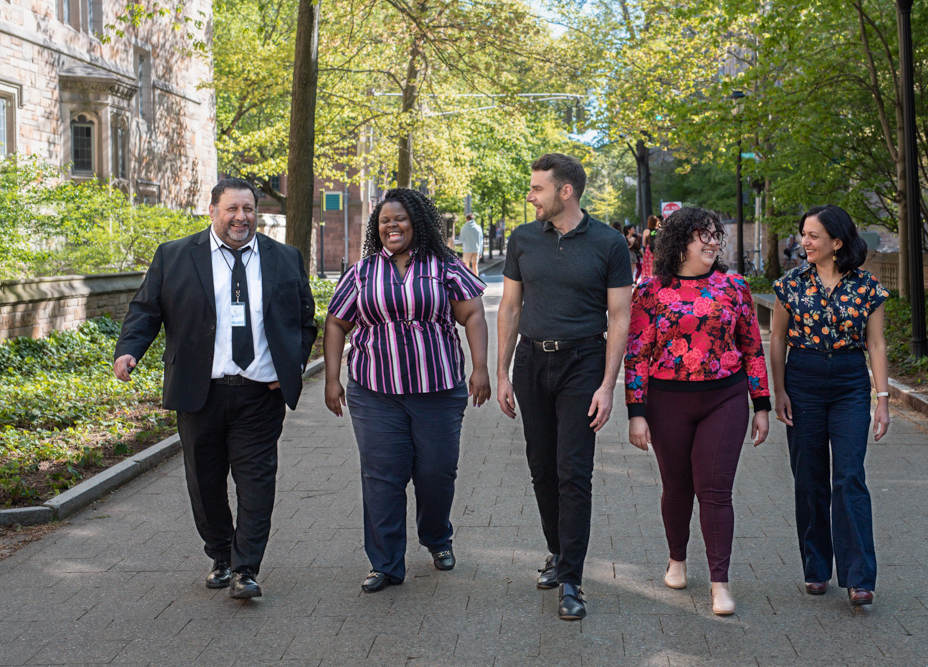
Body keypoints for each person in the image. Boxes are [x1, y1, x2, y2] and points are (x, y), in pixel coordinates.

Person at [113, 178, 317, 599]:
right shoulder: (175, 256)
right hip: (199, 391)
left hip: (260, 392)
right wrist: (130, 350)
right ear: (212, 211)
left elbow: (304, 319)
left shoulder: (284, 258)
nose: (241, 217)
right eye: (232, 209)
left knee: (257, 483)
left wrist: (293, 364)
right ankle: (221, 555)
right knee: (205, 484)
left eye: (248, 209)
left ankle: (246, 569)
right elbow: (145, 309)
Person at [323, 188, 490, 593]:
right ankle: (385, 563)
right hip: (375, 392)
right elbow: (335, 323)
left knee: (436, 472)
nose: (391, 225)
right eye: (384, 220)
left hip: (438, 389)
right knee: (382, 476)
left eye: (399, 219)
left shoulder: (443, 265)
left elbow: (472, 314)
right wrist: (332, 378)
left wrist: (481, 367)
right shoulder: (361, 273)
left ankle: (437, 538)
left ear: (416, 222)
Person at [496, 153, 632, 620]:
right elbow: (510, 308)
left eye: (537, 188)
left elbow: (619, 318)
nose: (530, 196)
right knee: (541, 468)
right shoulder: (523, 238)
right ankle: (557, 552)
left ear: (565, 191)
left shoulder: (610, 243)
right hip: (532, 361)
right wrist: (501, 373)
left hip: (583, 362)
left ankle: (572, 579)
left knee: (574, 470)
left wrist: (608, 385)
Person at [624, 207, 771, 616]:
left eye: (715, 235)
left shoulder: (734, 286)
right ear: (679, 242)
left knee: (715, 490)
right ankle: (676, 558)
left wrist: (762, 404)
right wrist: (636, 411)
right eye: (701, 235)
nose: (711, 242)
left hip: (725, 398)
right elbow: (635, 353)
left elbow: (752, 347)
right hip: (666, 401)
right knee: (677, 488)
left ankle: (719, 583)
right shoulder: (651, 291)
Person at [770, 204, 891, 608]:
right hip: (802, 380)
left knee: (849, 477)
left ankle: (859, 578)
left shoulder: (867, 287)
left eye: (813, 235)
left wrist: (883, 400)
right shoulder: (789, 285)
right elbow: (777, 340)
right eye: (803, 234)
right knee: (809, 478)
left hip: (849, 382)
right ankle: (816, 568)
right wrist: (779, 390)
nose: (804, 241)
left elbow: (875, 344)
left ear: (837, 242)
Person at [640, 214, 659, 281]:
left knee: (648, 266)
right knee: (656, 266)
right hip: (657, 251)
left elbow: (643, 244)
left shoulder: (646, 231)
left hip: (649, 251)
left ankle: (648, 280)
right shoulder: (659, 231)